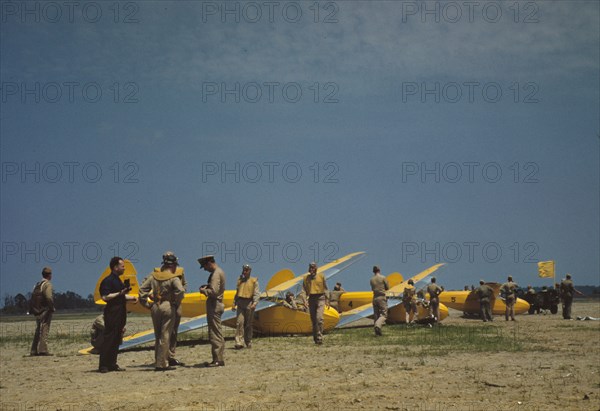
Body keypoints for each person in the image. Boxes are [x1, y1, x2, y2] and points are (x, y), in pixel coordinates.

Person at [139, 253, 185, 371]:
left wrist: (146, 304)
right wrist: (175, 301)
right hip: (167, 305)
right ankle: (162, 363)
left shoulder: (153, 276)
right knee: (166, 335)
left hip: (155, 306)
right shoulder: (173, 278)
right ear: (173, 265)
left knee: (158, 335)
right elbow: (180, 290)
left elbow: (142, 290)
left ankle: (158, 360)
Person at [98, 257, 138, 373]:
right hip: (112, 312)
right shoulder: (108, 281)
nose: (124, 268)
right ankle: (103, 365)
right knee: (109, 338)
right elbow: (105, 297)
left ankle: (112, 364)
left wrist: (132, 298)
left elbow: (121, 296)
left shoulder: (118, 280)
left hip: (120, 312)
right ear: (115, 267)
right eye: (122, 266)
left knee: (117, 338)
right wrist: (120, 293)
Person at [198, 255, 226, 367]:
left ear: (209, 263)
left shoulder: (215, 274)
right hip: (216, 304)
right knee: (216, 332)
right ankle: (217, 358)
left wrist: (204, 291)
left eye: (205, 266)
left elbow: (214, 291)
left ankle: (218, 359)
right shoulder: (219, 272)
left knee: (215, 333)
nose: (205, 269)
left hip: (214, 305)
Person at [161, 252, 187, 366]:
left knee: (174, 331)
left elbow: (184, 285)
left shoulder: (180, 271)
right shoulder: (159, 271)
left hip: (177, 303)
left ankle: (171, 355)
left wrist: (179, 294)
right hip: (166, 303)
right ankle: (162, 357)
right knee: (164, 331)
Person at [232, 264, 260, 349]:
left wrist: (254, 303)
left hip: (249, 303)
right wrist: (234, 303)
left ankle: (248, 341)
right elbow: (237, 292)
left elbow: (256, 293)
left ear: (250, 271)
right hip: (240, 303)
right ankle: (239, 342)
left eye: (246, 270)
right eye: (244, 270)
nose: (245, 271)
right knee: (239, 323)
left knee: (248, 324)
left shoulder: (254, 281)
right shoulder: (240, 280)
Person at [30, 267, 55, 356]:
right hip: (44, 310)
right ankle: (43, 350)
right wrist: (52, 307)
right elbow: (48, 297)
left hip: (36, 310)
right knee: (44, 329)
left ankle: (33, 350)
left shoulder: (37, 284)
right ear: (50, 275)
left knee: (38, 330)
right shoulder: (47, 284)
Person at [303, 262, 329, 345]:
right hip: (311, 298)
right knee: (314, 320)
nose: (312, 269)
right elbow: (303, 291)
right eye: (310, 267)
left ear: (316, 268)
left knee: (319, 318)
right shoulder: (305, 278)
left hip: (321, 298)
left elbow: (325, 288)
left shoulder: (321, 276)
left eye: (313, 267)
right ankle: (316, 339)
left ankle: (319, 337)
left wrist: (327, 300)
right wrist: (304, 300)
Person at [370, 266, 389, 335]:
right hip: (381, 297)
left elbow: (372, 289)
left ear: (373, 271)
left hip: (374, 297)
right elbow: (387, 287)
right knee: (384, 314)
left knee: (376, 315)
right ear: (379, 270)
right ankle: (378, 326)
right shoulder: (383, 277)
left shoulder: (371, 279)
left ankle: (376, 332)